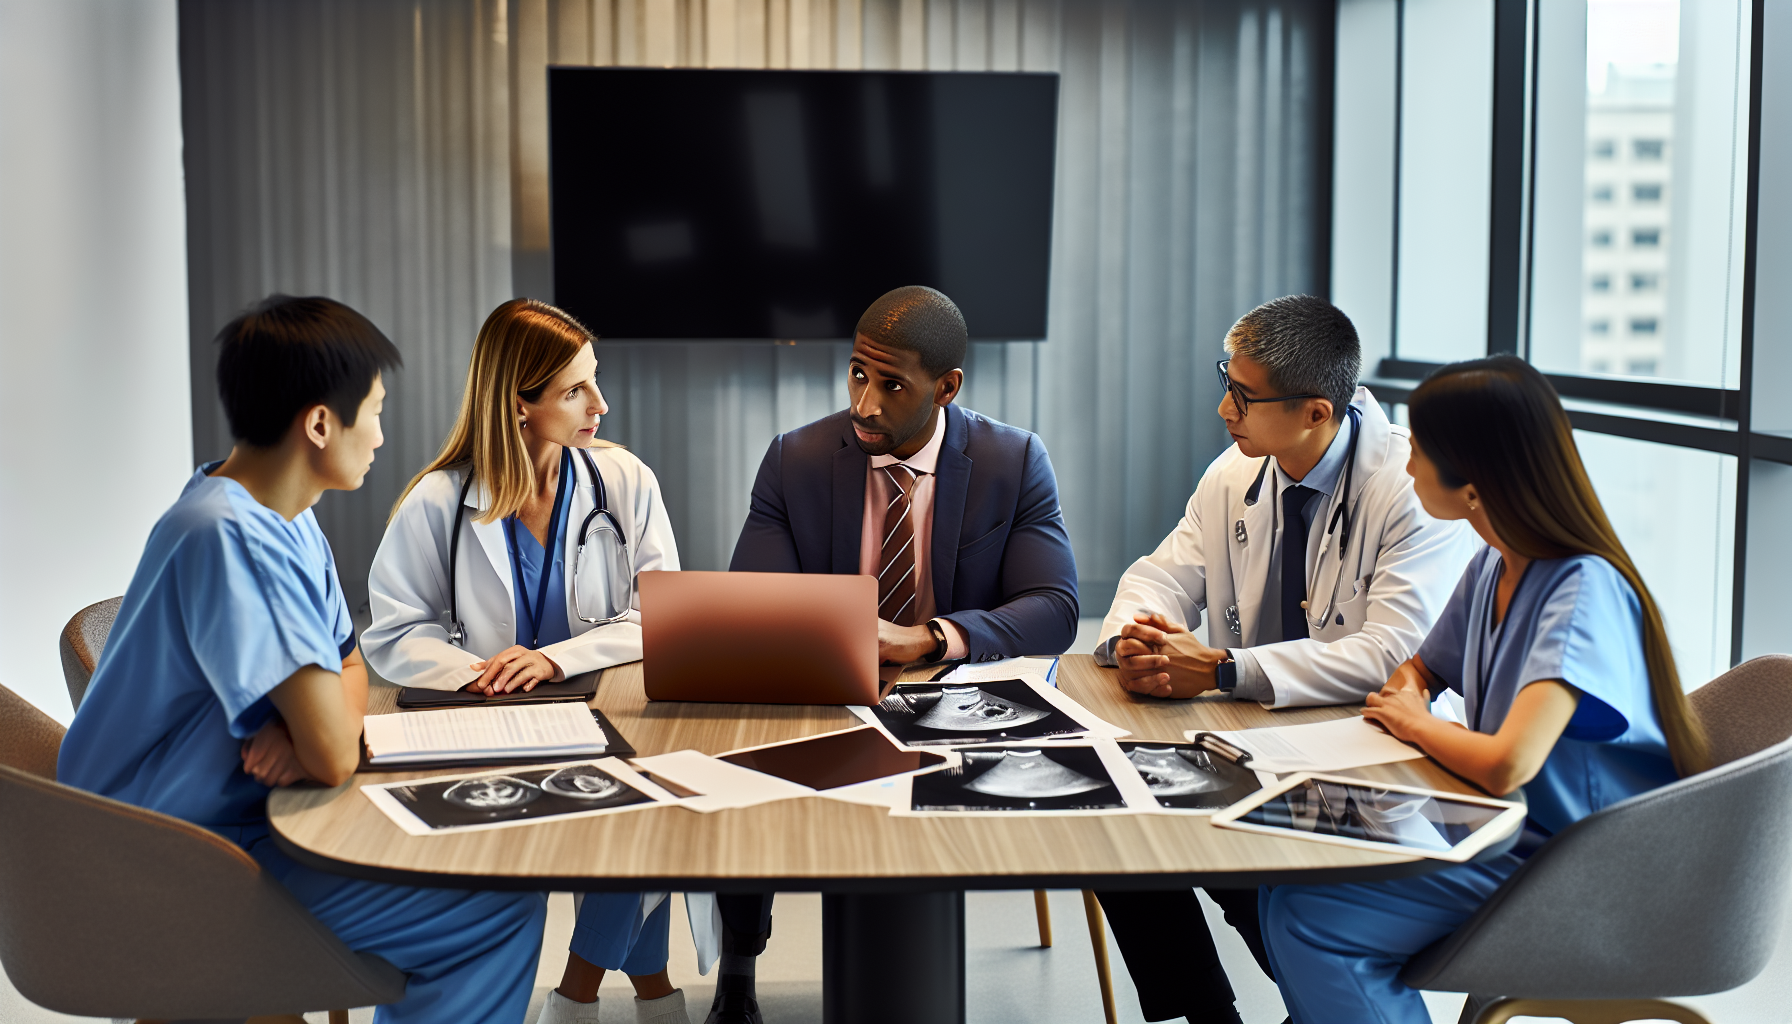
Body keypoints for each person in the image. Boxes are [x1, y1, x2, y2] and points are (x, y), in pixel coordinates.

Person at [57, 295, 549, 1024]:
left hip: (222, 823)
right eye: (376, 411)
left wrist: (312, 733)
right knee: (498, 905)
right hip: (174, 862)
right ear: (321, 422)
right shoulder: (234, 539)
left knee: (466, 857)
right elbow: (330, 752)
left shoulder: (276, 514)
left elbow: (350, 673)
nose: (383, 435)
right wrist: (317, 737)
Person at [1260, 354, 1710, 1022]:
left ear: (1473, 482)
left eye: (1422, 449)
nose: (1405, 462)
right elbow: (1418, 670)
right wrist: (1413, 695)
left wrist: (1414, 723)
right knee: (1283, 886)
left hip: (1581, 868)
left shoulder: (1580, 593)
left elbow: (1507, 764)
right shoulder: (1496, 564)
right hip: (1505, 834)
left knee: (1309, 917)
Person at [1090, 295, 1478, 1024]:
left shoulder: (1409, 488)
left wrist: (1223, 669)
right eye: (1226, 382)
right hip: (1258, 738)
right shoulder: (1235, 474)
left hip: (1372, 767)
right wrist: (1142, 635)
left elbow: (1391, 654)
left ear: (1315, 413)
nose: (1223, 409)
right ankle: (1206, 1014)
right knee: (1116, 819)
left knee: (1262, 885)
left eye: (1242, 395)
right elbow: (1161, 576)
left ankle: (1326, 998)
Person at [720, 285, 1079, 1022]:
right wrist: (833, 648)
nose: (865, 403)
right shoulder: (795, 459)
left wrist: (928, 637)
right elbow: (755, 605)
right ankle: (738, 965)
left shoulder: (1013, 461)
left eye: (892, 385)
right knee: (737, 759)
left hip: (953, 701)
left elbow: (1055, 610)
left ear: (947, 388)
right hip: (824, 694)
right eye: (857, 373)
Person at [364, 298, 697, 1024]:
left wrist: (554, 659)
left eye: (594, 381)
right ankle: (650, 996)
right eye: (576, 390)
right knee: (624, 816)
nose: (600, 405)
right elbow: (393, 633)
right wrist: (478, 673)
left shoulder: (622, 481)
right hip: (491, 727)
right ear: (520, 404)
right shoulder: (438, 501)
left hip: (605, 714)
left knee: (645, 808)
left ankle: (582, 996)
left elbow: (660, 610)